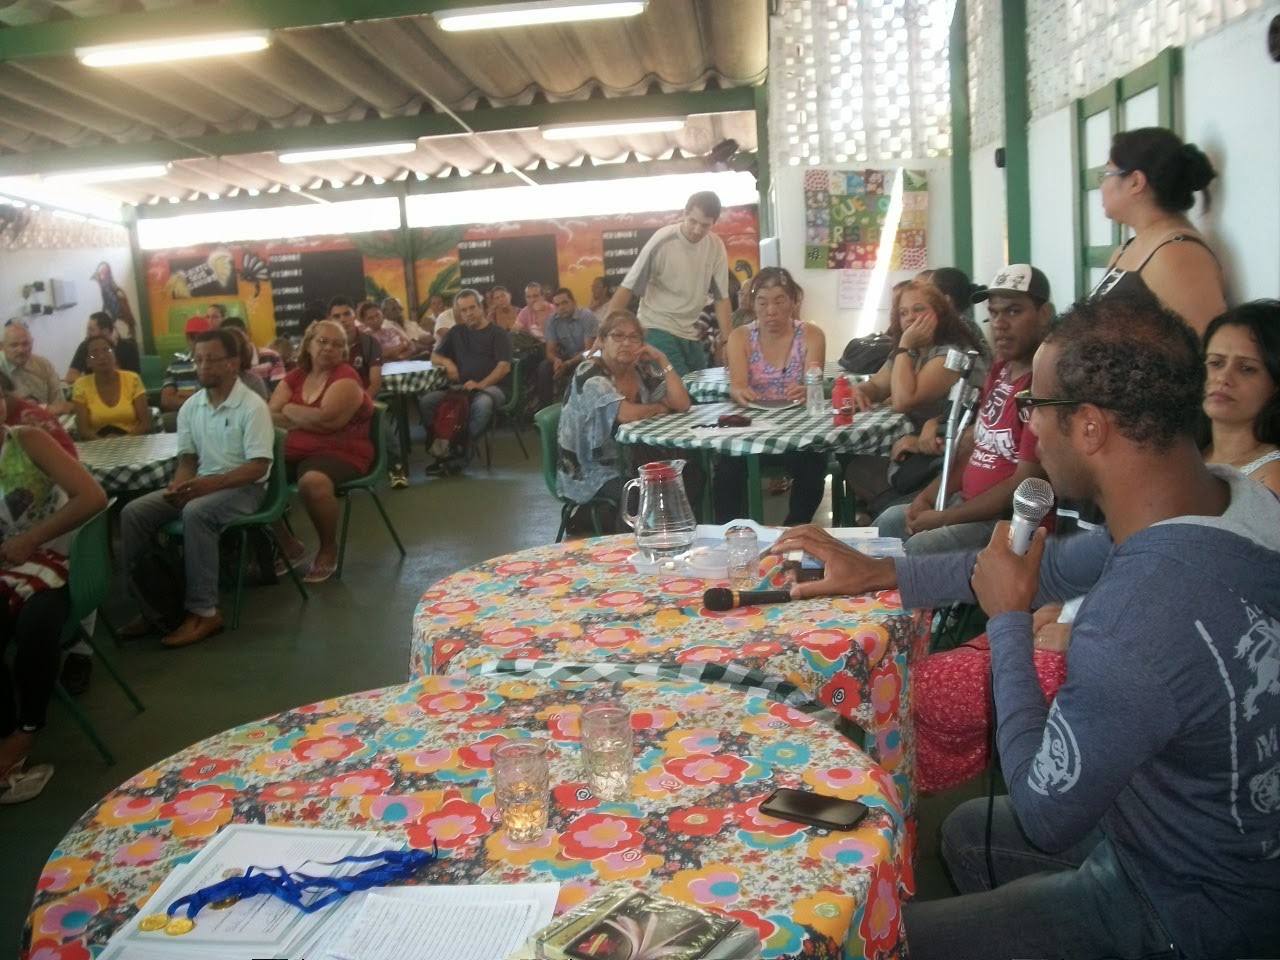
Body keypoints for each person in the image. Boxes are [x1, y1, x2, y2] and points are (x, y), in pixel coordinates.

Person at [772, 295, 1280, 960]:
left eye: (1034, 406)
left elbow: (1044, 813)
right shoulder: (1232, 500)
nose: (1028, 426)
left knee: (872, 945)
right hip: (1223, 843)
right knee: (969, 831)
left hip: (1187, 910)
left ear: (1090, 427)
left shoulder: (1135, 617)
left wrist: (1008, 622)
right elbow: (1052, 567)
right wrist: (882, 572)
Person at [875, 265, 1053, 554]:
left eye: (1013, 312)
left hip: (1005, 523)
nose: (1000, 323)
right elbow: (976, 449)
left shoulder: (1043, 385)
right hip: (965, 504)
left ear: (1044, 314)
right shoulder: (1001, 370)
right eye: (993, 313)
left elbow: (1024, 484)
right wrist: (927, 498)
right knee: (889, 521)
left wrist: (944, 518)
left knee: (921, 547)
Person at [120, 329, 274, 648]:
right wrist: (179, 485)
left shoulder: (252, 406)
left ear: (232, 363)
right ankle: (154, 607)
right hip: (203, 484)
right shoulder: (191, 407)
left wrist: (207, 486)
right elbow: (188, 459)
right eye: (198, 359)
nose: (203, 366)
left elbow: (259, 466)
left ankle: (205, 612)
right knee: (133, 512)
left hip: (246, 488)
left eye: (212, 359)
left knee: (196, 512)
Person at [0, 399, 107, 786]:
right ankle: (5, 732)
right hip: (9, 570)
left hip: (61, 563)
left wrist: (32, 538)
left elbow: (93, 496)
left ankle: (28, 728)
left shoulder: (27, 441)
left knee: (36, 625)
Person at [843, 279, 987, 516]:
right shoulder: (911, 351)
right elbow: (878, 385)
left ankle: (892, 515)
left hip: (947, 455)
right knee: (852, 462)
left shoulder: (950, 355)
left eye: (918, 309)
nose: (910, 318)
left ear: (939, 314)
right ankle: (884, 512)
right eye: (903, 313)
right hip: (918, 445)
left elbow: (903, 400)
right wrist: (861, 391)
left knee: (861, 469)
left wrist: (905, 346)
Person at [713, 267, 828, 525]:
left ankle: (792, 531)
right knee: (727, 468)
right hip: (752, 430)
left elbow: (814, 381)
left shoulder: (812, 335)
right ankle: (731, 532)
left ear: (794, 301)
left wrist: (808, 390)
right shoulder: (740, 337)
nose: (771, 311)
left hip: (798, 431)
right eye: (763, 303)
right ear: (753, 304)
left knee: (814, 463)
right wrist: (739, 391)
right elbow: (737, 385)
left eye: (779, 301)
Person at [556, 309, 692, 515]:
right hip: (590, 470)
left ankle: (674, 530)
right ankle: (633, 531)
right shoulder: (589, 373)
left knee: (690, 476)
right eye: (618, 336)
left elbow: (682, 404)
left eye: (634, 337)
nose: (626, 343)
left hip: (633, 460)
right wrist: (660, 408)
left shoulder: (640, 369)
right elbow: (626, 415)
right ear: (602, 341)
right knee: (638, 493)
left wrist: (662, 359)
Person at [1091, 127, 1226, 333]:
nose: (1101, 187)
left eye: (1107, 174)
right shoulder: (1126, 249)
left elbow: (1206, 344)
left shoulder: (1178, 254)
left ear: (1135, 182)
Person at [270, 321, 374, 584]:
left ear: (344, 352)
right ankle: (289, 545)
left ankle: (328, 548)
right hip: (294, 451)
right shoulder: (296, 376)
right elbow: (270, 414)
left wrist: (289, 410)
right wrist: (308, 417)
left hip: (342, 451)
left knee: (312, 482)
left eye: (337, 344)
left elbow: (328, 422)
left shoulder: (346, 378)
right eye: (322, 341)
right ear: (308, 344)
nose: (329, 348)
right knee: (254, 475)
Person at [608, 191, 733, 377]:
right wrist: (605, 334)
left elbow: (722, 298)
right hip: (656, 329)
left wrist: (728, 342)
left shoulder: (715, 246)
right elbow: (627, 288)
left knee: (700, 388)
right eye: (693, 221)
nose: (697, 229)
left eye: (705, 225)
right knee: (681, 389)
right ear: (684, 213)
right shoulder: (662, 240)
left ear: (714, 223)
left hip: (690, 333)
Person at [419, 289, 513, 475]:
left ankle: (461, 455)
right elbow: (435, 356)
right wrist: (448, 363)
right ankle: (444, 448)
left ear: (481, 307)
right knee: (427, 402)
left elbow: (504, 367)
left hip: (493, 388)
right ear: (458, 313)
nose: (469, 313)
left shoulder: (498, 333)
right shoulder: (456, 332)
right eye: (463, 310)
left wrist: (481, 385)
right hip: (461, 388)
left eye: (472, 308)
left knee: (482, 404)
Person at [1202, 300, 1280, 495]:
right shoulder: (1182, 450)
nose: (1223, 378)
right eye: (1216, 363)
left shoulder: (1271, 479)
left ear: (1276, 385)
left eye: (1247, 369)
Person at [71, 335, 150, 438]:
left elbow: (144, 424)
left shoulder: (132, 379)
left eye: (107, 350)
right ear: (88, 362)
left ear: (115, 356)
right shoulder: (81, 385)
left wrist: (123, 441)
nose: (102, 356)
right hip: (97, 442)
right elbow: (84, 430)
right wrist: (104, 443)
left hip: (133, 440)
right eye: (94, 354)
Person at [538, 288, 599, 409]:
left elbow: (589, 351)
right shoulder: (552, 320)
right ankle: (546, 409)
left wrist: (567, 364)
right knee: (544, 367)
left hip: (589, 358)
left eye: (565, 303)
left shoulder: (587, 316)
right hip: (567, 358)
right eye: (557, 305)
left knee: (580, 369)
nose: (561, 308)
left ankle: (572, 411)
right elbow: (549, 351)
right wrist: (556, 361)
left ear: (574, 302)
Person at [1, 322, 65, 411]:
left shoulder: (43, 364)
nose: (21, 350)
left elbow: (58, 404)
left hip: (48, 417)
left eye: (25, 344)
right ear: (2, 346)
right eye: (14, 345)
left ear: (32, 343)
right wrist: (46, 409)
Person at [328, 297, 382, 398]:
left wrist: (359, 403)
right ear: (329, 320)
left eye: (347, 314)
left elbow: (375, 385)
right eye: (337, 316)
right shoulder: (326, 347)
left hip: (364, 399)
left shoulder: (370, 343)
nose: (343, 319)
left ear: (355, 315)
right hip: (332, 400)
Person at [65, 311, 141, 383]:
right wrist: (94, 383)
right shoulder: (85, 347)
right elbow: (70, 377)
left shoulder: (128, 348)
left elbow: (134, 379)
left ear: (105, 331)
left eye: (91, 330)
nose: (87, 334)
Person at [159, 316, 209, 420]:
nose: (196, 341)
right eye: (192, 337)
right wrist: (198, 397)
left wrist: (184, 394)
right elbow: (166, 401)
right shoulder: (175, 366)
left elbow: (216, 397)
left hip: (211, 414)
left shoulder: (216, 363)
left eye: (202, 337)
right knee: (164, 420)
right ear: (187, 338)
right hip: (184, 415)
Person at [220, 316, 285, 391]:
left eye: (237, 338)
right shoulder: (224, 362)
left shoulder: (271, 357)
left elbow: (280, 393)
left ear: (247, 334)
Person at [222, 326, 270, 401]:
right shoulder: (209, 381)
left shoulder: (253, 382)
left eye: (232, 355)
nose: (228, 362)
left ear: (242, 356)